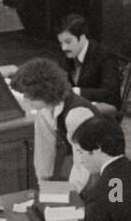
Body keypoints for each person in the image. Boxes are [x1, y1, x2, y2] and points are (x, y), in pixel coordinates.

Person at [10, 58, 96, 192]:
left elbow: (84, 163)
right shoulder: (44, 109)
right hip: (78, 163)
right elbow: (44, 150)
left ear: (44, 92)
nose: (25, 100)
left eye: (28, 95)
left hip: (99, 168)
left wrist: (69, 194)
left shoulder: (77, 114)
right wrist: (43, 186)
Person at [56, 13, 122, 112]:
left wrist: (77, 91)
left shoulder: (104, 55)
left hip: (104, 110)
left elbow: (111, 93)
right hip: (76, 106)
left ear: (82, 37)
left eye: (68, 42)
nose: (63, 48)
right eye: (61, 43)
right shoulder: (67, 55)